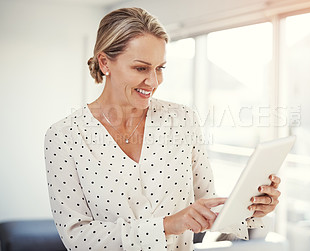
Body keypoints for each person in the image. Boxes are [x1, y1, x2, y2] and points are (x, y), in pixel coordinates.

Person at [44, 7, 281, 251]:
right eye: (141, 68)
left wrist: (250, 208)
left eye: (160, 68)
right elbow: (78, 237)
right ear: (105, 62)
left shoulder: (182, 120)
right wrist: (167, 225)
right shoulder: (65, 136)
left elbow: (206, 205)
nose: (154, 81)